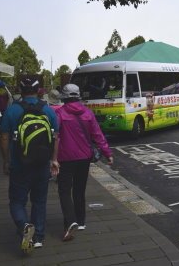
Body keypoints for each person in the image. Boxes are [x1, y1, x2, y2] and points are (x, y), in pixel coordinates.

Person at [0, 77, 59, 254]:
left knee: (17, 201)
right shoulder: (48, 111)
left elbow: (4, 137)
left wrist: (6, 161)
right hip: (42, 164)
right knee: (39, 200)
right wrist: (54, 159)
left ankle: (24, 225)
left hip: (19, 165)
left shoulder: (12, 111)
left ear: (20, 89)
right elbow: (56, 137)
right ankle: (39, 236)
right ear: (38, 89)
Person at [54, 84, 113, 242]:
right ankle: (80, 221)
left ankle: (70, 222)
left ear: (64, 97)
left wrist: (52, 158)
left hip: (65, 159)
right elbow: (97, 135)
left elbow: (55, 137)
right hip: (84, 158)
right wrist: (107, 153)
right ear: (78, 96)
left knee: (64, 191)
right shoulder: (88, 113)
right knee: (79, 190)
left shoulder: (59, 113)